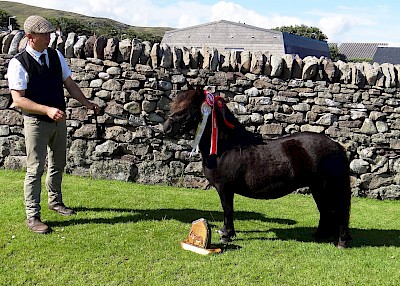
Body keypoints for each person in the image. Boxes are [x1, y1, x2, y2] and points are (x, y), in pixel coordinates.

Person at [7, 15, 100, 234]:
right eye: (44, 34)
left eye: (50, 33)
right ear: (30, 37)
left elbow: (69, 84)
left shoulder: (56, 56)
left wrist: (87, 103)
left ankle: (55, 202)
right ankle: (33, 216)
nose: (50, 37)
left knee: (58, 164)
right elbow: (18, 99)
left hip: (58, 122)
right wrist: (47, 109)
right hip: (36, 123)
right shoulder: (18, 63)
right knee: (35, 169)